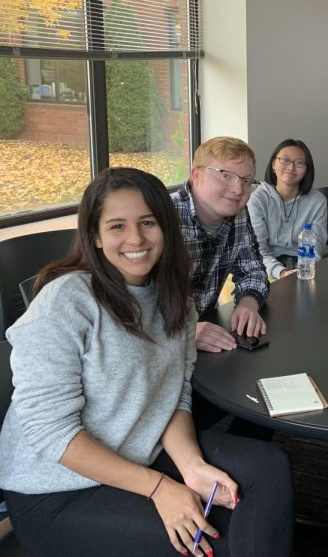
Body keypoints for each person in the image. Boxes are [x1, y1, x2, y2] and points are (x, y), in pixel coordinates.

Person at [0, 168, 294, 556]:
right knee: (211, 536)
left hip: (139, 449)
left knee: (268, 469)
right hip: (58, 488)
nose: (135, 239)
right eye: (117, 226)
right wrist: (159, 488)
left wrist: (190, 467)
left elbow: (173, 399)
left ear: (166, 228)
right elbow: (53, 433)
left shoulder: (176, 302)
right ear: (95, 236)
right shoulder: (66, 301)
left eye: (147, 223)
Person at [171, 136, 269, 353]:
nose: (237, 189)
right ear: (196, 175)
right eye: (226, 175)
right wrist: (184, 333)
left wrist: (248, 303)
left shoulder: (238, 213)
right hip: (161, 345)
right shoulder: (163, 217)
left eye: (246, 180)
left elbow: (252, 269)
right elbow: (138, 303)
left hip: (210, 332)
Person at [248, 139, 327, 279]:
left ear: (306, 169)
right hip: (267, 268)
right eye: (285, 160)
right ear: (273, 164)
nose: (291, 167)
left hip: (305, 268)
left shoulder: (317, 201)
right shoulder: (257, 199)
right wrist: (281, 272)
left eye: (299, 163)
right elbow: (258, 249)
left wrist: (305, 271)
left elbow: (316, 247)